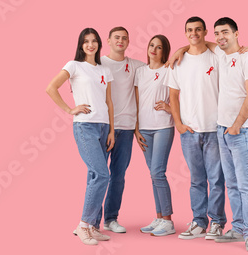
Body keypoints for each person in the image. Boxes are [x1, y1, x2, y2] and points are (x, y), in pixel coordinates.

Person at [46, 28, 115, 245]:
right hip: (85, 126)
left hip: (104, 127)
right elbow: (51, 88)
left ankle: (93, 226)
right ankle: (83, 225)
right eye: (86, 42)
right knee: (102, 174)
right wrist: (69, 110)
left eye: (94, 41)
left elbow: (109, 101)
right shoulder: (74, 65)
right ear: (80, 45)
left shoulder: (105, 70)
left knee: (94, 176)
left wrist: (112, 130)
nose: (90, 45)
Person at [163, 16, 227, 240]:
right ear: (185, 32)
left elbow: (220, 46)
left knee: (216, 179)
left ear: (205, 31)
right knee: (196, 179)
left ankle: (217, 223)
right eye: (190, 30)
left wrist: (182, 48)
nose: (194, 33)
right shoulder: (178, 62)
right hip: (189, 131)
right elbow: (173, 95)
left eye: (198, 30)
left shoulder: (216, 56)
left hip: (214, 129)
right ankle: (199, 222)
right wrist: (178, 124)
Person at [210, 17, 248, 252]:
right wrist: (180, 49)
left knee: (246, 184)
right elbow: (205, 44)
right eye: (217, 33)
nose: (221, 37)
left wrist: (236, 125)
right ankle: (238, 228)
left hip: (241, 130)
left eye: (225, 33)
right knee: (231, 183)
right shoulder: (221, 54)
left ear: (236, 33)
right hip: (222, 129)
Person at [101, 27, 146, 233]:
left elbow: (161, 67)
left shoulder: (135, 66)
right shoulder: (98, 63)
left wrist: (181, 51)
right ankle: (89, 221)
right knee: (97, 175)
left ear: (128, 42)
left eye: (124, 38)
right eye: (116, 37)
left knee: (118, 176)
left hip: (126, 129)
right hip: (102, 127)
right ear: (108, 40)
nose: (120, 41)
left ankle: (110, 219)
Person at [133, 35, 175, 237]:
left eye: (159, 47)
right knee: (153, 174)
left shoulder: (169, 70)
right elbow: (136, 101)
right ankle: (159, 217)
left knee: (158, 172)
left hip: (163, 127)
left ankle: (168, 221)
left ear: (164, 51)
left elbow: (181, 95)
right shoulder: (140, 72)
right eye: (151, 45)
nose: (154, 49)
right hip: (144, 129)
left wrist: (169, 108)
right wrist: (136, 128)